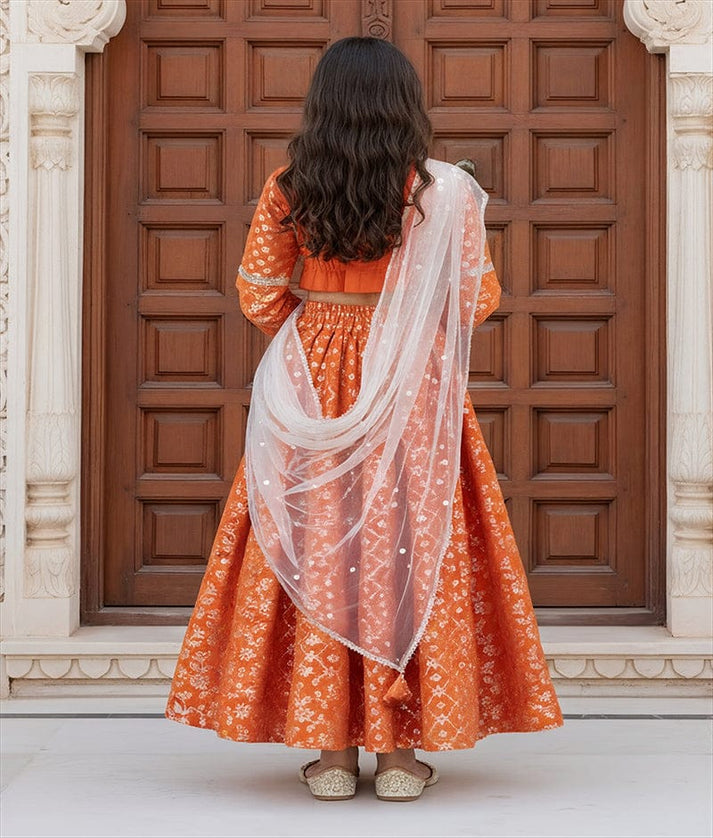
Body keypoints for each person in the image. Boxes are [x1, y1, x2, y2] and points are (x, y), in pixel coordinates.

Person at [165, 36, 564, 803]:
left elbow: (256, 294)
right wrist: (400, 323)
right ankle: (405, 757)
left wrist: (325, 324)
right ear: (403, 104)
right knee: (409, 545)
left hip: (313, 377)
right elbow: (477, 299)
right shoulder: (439, 190)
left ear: (322, 103)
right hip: (409, 380)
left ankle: (333, 753)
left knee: (316, 543)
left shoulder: (290, 184)